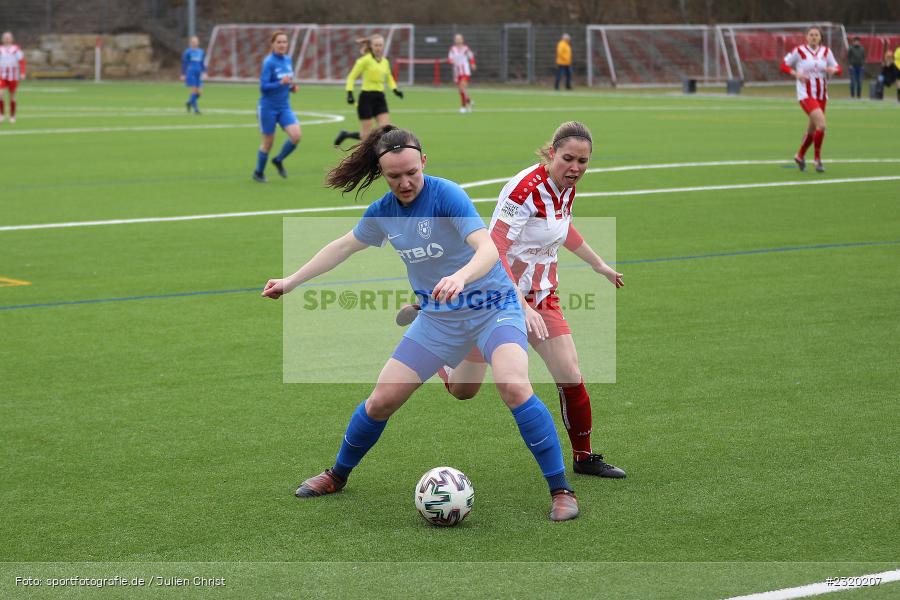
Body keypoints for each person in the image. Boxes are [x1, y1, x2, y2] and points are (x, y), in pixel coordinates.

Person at [262, 125, 580, 521]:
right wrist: (291, 281)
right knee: (381, 400)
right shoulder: (383, 213)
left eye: (412, 172)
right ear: (382, 174)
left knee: (513, 386)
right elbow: (343, 246)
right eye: (395, 176)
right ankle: (336, 475)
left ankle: (561, 489)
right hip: (439, 319)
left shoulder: (446, 194)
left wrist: (462, 276)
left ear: (423, 163)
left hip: (493, 307)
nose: (405, 182)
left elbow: (486, 248)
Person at [397, 122, 627, 479]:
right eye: (568, 158)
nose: (576, 168)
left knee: (570, 373)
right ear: (552, 153)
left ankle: (583, 457)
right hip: (495, 297)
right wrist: (520, 305)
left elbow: (562, 228)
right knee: (463, 390)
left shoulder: (566, 187)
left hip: (543, 296)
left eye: (583, 161)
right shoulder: (523, 191)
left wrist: (599, 265)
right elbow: (496, 248)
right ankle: (432, 321)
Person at [780, 26, 841, 173]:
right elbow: (783, 65)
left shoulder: (826, 52)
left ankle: (800, 155)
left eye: (816, 35)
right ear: (806, 37)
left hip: (822, 96)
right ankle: (817, 160)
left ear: (820, 37)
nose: (814, 37)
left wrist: (834, 70)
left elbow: (838, 68)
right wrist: (796, 74)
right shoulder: (799, 51)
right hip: (806, 95)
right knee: (822, 125)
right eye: (811, 35)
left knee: (812, 130)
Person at [334, 35, 404, 147]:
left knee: (386, 131)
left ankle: (381, 156)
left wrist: (395, 90)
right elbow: (351, 77)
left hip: (380, 98)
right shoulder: (364, 61)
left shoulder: (385, 62)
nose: (378, 47)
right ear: (371, 46)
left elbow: (389, 77)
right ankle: (346, 135)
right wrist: (349, 93)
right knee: (365, 137)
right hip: (366, 98)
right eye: (376, 45)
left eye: (380, 45)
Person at [253, 31, 301, 183]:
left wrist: (291, 87)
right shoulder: (269, 62)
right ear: (273, 44)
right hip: (267, 107)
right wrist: (280, 83)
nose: (282, 45)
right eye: (279, 42)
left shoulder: (287, 60)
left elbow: (287, 81)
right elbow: (263, 87)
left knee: (296, 136)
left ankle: (278, 160)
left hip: (284, 107)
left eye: (284, 42)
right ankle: (258, 172)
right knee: (268, 143)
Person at [0, 31, 25, 124]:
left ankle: (12, 115)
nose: (6, 39)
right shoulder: (0, 49)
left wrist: (22, 72)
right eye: (5, 37)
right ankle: (1, 115)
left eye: (8, 37)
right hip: (2, 75)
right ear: (2, 39)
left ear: (12, 39)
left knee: (12, 97)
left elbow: (21, 61)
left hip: (13, 76)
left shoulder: (16, 49)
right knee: (0, 94)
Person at [448, 34, 476, 113]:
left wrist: (473, 63)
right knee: (461, 90)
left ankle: (463, 106)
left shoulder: (466, 48)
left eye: (459, 38)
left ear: (462, 40)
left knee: (462, 87)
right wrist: (452, 61)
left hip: (465, 71)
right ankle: (469, 101)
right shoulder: (452, 49)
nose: (458, 40)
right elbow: (450, 59)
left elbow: (471, 57)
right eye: (456, 38)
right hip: (457, 72)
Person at [180, 36, 207, 114]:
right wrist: (183, 74)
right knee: (194, 90)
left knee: (199, 92)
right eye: (193, 42)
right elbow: (184, 64)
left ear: (198, 42)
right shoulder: (187, 52)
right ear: (190, 43)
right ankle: (196, 110)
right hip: (190, 73)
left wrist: (204, 72)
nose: (194, 43)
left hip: (198, 73)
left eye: (196, 41)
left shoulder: (201, 51)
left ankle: (189, 102)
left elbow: (202, 63)